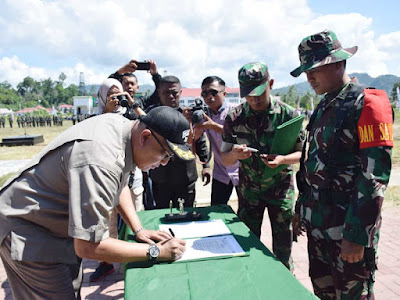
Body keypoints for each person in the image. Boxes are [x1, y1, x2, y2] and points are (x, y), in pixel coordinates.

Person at [0, 106, 191, 299]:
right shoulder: (100, 159)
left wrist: (138, 229)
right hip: (28, 227)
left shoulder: (126, 132)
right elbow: (88, 246)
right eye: (165, 154)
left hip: (54, 224)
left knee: (69, 289)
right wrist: (157, 251)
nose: (165, 163)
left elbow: (120, 183)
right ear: (145, 137)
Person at [291, 30, 393, 299]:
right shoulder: (324, 104)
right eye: (306, 70)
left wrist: (358, 235)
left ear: (338, 63)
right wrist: (301, 208)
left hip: (346, 231)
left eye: (315, 68)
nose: (309, 77)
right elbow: (313, 164)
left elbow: (374, 176)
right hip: (319, 227)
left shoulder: (367, 103)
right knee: (323, 293)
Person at [220, 62, 304, 271]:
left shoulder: (289, 116)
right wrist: (234, 154)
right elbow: (224, 159)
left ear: (271, 84)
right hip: (249, 193)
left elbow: (303, 154)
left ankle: (284, 287)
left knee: (283, 251)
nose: (254, 99)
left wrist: (283, 160)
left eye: (259, 92)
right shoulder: (234, 117)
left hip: (281, 191)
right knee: (246, 248)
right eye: (248, 94)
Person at [89, 78, 146, 282]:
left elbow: (150, 126)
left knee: (136, 219)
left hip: (132, 179)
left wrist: (132, 103)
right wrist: (106, 111)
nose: (116, 99)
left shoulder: (131, 113)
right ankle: (106, 263)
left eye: (118, 94)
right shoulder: (94, 120)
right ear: (102, 97)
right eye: (111, 95)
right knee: (106, 224)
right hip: (106, 181)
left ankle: (136, 260)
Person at [147, 75, 212, 209]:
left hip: (185, 176)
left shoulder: (191, 115)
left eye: (174, 92)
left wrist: (206, 166)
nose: (171, 96)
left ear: (181, 93)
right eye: (166, 92)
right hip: (160, 177)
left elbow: (200, 141)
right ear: (159, 92)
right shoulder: (151, 115)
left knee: (186, 215)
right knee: (160, 215)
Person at [185, 76, 239, 205]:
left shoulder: (236, 111)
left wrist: (213, 126)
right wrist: (188, 121)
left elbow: (241, 137)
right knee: (216, 209)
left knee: (246, 212)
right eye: (205, 94)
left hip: (242, 170)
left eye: (214, 92)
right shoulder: (204, 114)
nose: (209, 97)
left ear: (224, 94)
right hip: (221, 172)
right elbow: (190, 140)